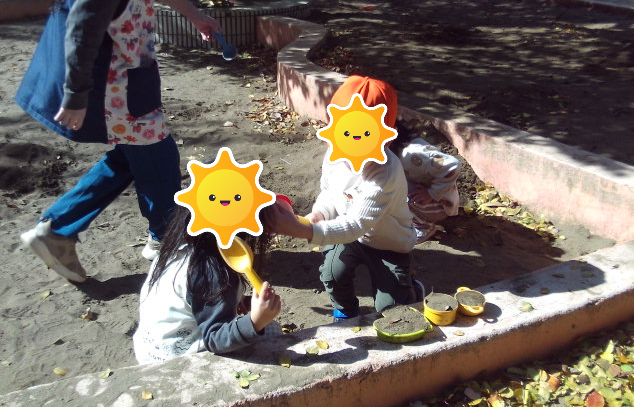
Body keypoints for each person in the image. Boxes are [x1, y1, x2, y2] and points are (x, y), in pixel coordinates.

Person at [16, 0, 222, 283]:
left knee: (131, 156)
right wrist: (76, 93)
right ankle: (167, 240)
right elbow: (83, 26)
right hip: (114, 83)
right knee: (156, 156)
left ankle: (58, 229)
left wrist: (194, 14)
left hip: (129, 74)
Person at [265, 75, 424, 322]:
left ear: (386, 136)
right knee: (332, 273)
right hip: (348, 235)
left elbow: (357, 224)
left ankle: (409, 289)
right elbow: (330, 193)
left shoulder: (385, 172)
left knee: (391, 312)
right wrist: (319, 213)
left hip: (390, 244)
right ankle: (346, 310)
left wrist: (303, 230)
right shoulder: (334, 154)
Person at [133, 205, 282, 364]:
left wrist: (236, 301)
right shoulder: (214, 274)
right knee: (272, 330)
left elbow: (191, 300)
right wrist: (255, 321)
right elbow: (215, 338)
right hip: (177, 361)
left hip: (149, 350)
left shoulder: (176, 248)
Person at [391, 127, 462, 244]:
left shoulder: (412, 154)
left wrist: (431, 193)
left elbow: (453, 165)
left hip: (440, 205)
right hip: (426, 199)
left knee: (396, 193)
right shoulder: (399, 149)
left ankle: (424, 227)